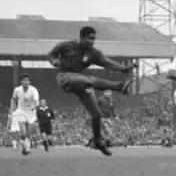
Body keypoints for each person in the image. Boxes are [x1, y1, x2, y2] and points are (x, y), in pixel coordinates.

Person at [46, 25, 136, 156]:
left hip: (80, 82)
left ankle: (98, 141)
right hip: (65, 77)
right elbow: (51, 54)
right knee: (90, 80)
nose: (92, 42)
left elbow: (107, 62)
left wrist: (125, 68)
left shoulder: (93, 53)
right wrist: (54, 61)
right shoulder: (66, 46)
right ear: (82, 38)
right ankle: (120, 86)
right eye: (90, 39)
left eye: (94, 39)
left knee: (96, 114)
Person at [9, 74, 41, 156]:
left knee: (28, 134)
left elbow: (37, 101)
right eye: (24, 80)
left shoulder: (33, 90)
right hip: (21, 112)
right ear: (21, 82)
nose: (26, 82)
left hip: (31, 112)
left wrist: (36, 106)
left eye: (27, 80)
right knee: (23, 134)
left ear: (30, 82)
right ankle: (27, 149)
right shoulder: (17, 89)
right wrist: (12, 108)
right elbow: (13, 99)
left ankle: (25, 148)